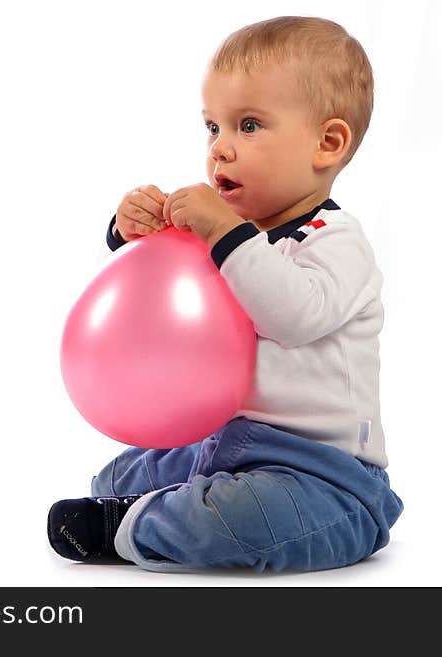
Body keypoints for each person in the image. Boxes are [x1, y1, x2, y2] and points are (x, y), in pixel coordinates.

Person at [48, 16, 403, 573]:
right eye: (213, 127)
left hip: (326, 475)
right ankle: (143, 502)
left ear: (326, 143)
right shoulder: (229, 236)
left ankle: (133, 526)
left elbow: (292, 316)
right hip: (225, 444)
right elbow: (145, 303)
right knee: (121, 472)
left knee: (242, 518)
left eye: (250, 126)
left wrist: (221, 232)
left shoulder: (338, 243)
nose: (221, 150)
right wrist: (130, 231)